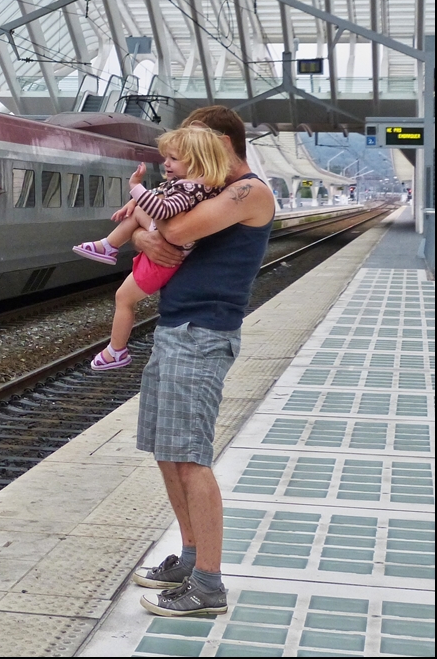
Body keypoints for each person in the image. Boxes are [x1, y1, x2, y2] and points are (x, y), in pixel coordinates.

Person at [128, 106, 275, 617]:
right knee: (168, 451)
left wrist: (147, 230)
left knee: (191, 457)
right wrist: (147, 232)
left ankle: (208, 585)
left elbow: (175, 230)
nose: (181, 160)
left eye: (190, 148)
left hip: (203, 334)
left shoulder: (248, 191)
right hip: (175, 327)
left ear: (217, 144)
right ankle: (191, 558)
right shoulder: (208, 187)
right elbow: (160, 230)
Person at [72, 126, 231, 370]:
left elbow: (163, 209)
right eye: (166, 157)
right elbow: (160, 193)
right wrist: (137, 199)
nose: (166, 163)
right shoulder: (200, 186)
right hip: (166, 247)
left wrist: (135, 187)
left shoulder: (189, 190)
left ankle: (116, 350)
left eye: (174, 159)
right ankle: (108, 245)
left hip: (163, 259)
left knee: (123, 298)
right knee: (138, 210)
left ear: (198, 161)